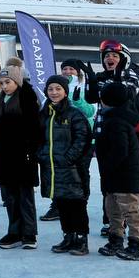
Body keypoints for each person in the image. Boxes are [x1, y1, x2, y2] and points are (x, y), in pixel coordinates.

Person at [0, 65, 42, 250]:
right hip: (4, 158)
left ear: (17, 82)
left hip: (23, 156)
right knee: (10, 197)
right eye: (1, 83)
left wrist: (30, 151)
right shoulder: (0, 101)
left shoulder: (26, 98)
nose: (4, 86)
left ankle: (29, 233)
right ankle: (14, 231)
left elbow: (34, 128)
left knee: (25, 196)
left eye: (8, 82)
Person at [39, 76, 94, 255]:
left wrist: (69, 158)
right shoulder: (44, 114)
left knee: (76, 203)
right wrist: (41, 155)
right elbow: (37, 138)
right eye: (50, 89)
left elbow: (83, 139)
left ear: (65, 91)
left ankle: (81, 239)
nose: (54, 93)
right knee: (61, 203)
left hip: (72, 169)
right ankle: (68, 236)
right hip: (52, 168)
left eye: (58, 89)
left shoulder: (74, 114)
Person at [94, 81, 139, 260]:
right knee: (113, 210)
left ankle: (137, 244)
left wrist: (108, 167)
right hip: (113, 177)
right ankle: (115, 239)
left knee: (130, 210)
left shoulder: (117, 122)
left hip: (125, 176)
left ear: (105, 101)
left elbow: (119, 150)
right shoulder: (112, 120)